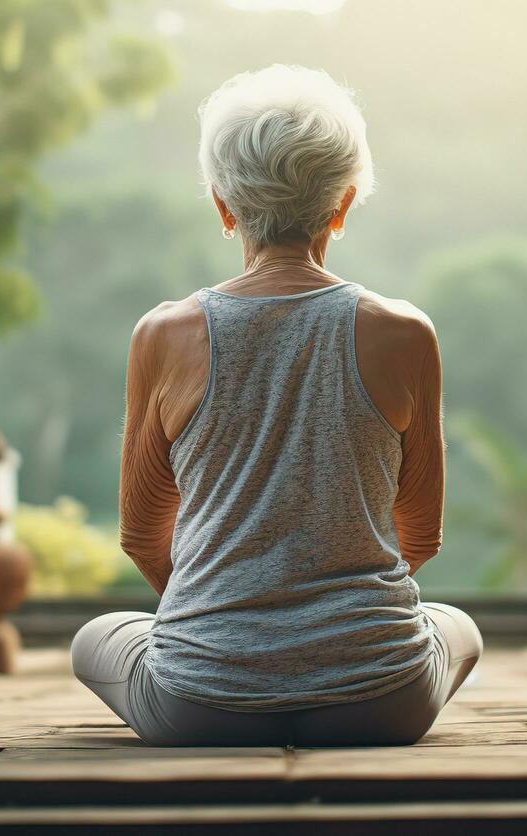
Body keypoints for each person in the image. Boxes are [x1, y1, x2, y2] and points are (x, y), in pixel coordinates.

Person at [71, 65, 481, 746]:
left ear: (222, 207)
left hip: (200, 705)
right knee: (456, 627)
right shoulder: (404, 333)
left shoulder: (164, 334)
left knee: (97, 638)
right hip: (382, 699)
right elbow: (421, 533)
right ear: (343, 205)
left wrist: (229, 628)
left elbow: (143, 536)